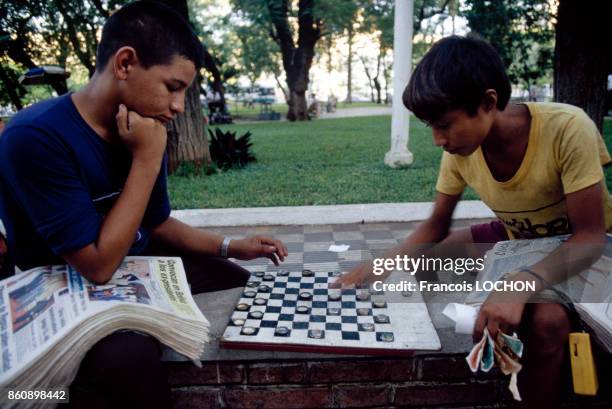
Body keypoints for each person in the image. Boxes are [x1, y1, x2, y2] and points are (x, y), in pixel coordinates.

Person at [0, 2, 288, 408]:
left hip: (134, 265)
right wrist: (148, 158)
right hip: (64, 284)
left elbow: (155, 222)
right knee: (128, 362)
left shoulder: (141, 126)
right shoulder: (35, 137)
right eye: (172, 87)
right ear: (125, 63)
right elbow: (97, 266)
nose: (178, 106)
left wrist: (230, 245)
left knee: (240, 284)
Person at [334, 35, 611, 408]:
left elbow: (590, 236)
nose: (437, 140)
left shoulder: (567, 128)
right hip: (516, 240)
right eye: (430, 126)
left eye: (444, 124)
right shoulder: (461, 149)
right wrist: (381, 264)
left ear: (488, 102)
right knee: (428, 265)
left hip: (584, 246)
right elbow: (436, 225)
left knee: (546, 322)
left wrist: (518, 285)